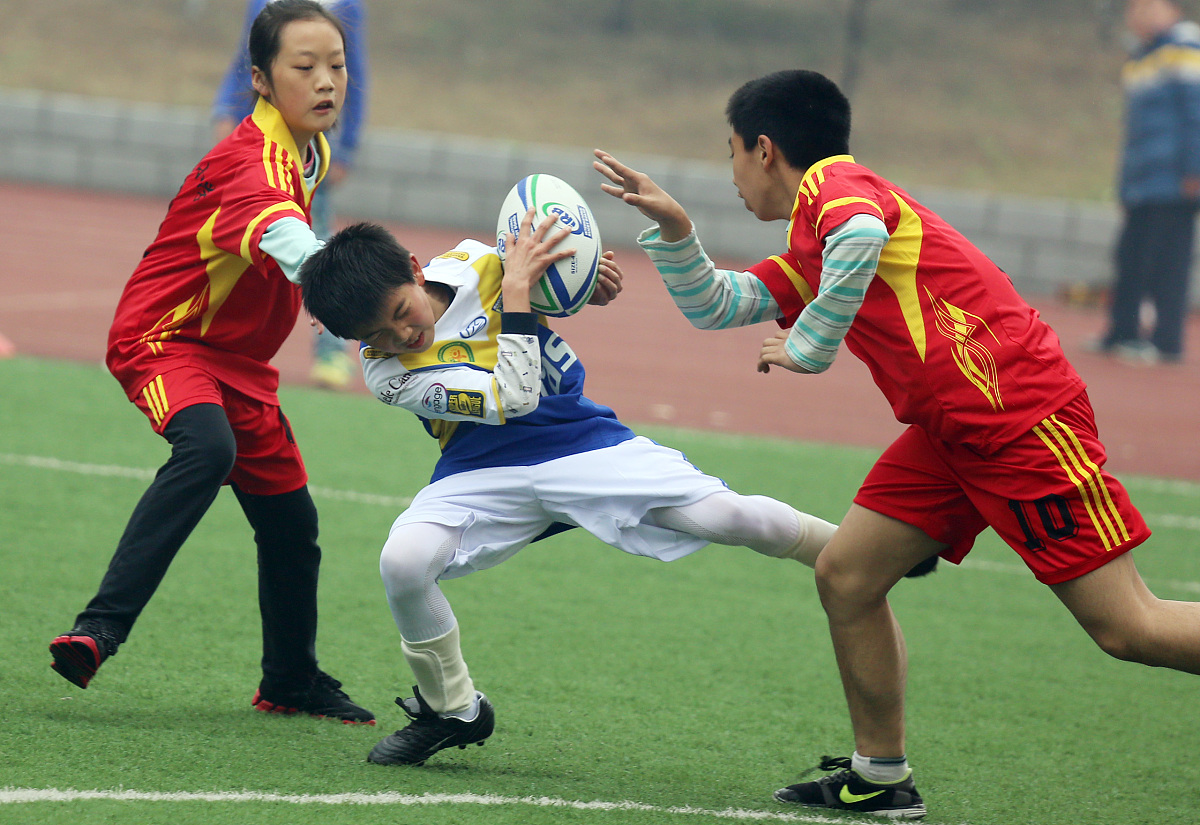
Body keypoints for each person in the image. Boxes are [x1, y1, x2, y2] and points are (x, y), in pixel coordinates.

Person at [594, 68, 1200, 819]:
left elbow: (863, 231)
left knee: (1127, 626)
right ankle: (880, 777)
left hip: (1017, 417)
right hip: (951, 432)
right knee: (846, 576)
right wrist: (679, 233)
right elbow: (722, 304)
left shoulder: (834, 190)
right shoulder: (814, 237)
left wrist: (811, 346)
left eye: (730, 156)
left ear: (764, 147)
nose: (733, 175)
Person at [296, 212, 844, 766]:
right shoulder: (388, 374)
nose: (400, 336)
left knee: (740, 520)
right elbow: (511, 396)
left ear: (415, 270)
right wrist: (517, 292)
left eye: (399, 314)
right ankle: (453, 709)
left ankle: (858, 554)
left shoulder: (474, 260)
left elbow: (550, 288)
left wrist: (583, 286)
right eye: (375, 336)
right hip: (481, 468)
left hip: (582, 442)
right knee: (403, 562)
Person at [48, 0, 373, 725]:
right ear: (259, 79)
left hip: (237, 363)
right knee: (207, 446)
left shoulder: (306, 148)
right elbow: (289, 244)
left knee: (292, 522)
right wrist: (371, 301)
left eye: (338, 66)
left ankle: (290, 679)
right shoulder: (250, 162)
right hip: (164, 340)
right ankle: (97, 630)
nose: (327, 82)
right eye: (305, 67)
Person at [212, 0, 370, 389]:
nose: (324, 76)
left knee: (315, 241)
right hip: (258, 136)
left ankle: (333, 352)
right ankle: (215, 343)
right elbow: (245, 58)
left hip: (307, 146)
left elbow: (357, 67)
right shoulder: (261, 5)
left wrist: (346, 146)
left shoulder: (345, 6)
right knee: (241, 248)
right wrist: (223, 111)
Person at [1094, 0, 1200, 364]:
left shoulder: (1184, 48)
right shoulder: (1142, 56)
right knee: (1130, 257)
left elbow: (1196, 113)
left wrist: (1195, 169)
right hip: (1144, 180)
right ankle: (1122, 331)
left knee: (1167, 261)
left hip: (1175, 179)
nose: (1135, 15)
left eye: (1145, 6)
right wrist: (1126, 185)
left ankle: (1165, 341)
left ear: (1171, 8)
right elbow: (1137, 131)